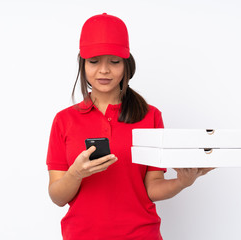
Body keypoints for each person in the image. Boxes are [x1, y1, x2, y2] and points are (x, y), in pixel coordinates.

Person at [46, 13, 213, 240]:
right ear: (82, 65)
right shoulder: (64, 120)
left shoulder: (150, 116)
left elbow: (151, 188)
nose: (104, 70)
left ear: (126, 65)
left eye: (114, 62)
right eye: (94, 61)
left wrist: (182, 182)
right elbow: (57, 197)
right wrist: (76, 173)